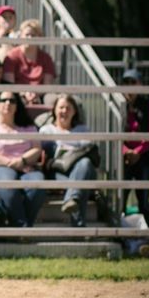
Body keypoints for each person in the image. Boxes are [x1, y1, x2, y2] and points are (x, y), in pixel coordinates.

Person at [0, 91, 46, 227]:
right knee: (8, 182)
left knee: (38, 183)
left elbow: (37, 149)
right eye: (4, 100)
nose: (8, 103)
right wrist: (9, 162)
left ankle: (21, 227)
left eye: (12, 101)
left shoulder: (28, 127)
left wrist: (23, 160)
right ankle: (23, 227)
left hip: (26, 167)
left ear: (17, 105)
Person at [39, 94, 97, 228]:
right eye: (61, 107)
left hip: (81, 169)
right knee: (79, 183)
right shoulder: (46, 130)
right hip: (56, 172)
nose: (64, 111)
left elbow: (88, 151)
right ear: (54, 110)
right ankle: (79, 226)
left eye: (68, 108)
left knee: (85, 164)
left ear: (75, 111)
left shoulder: (83, 130)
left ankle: (71, 198)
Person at [120, 68, 149, 226]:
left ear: (140, 85)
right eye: (126, 82)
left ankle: (147, 232)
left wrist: (137, 152)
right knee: (121, 197)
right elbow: (115, 132)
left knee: (143, 198)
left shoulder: (148, 105)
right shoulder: (119, 105)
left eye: (133, 82)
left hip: (144, 157)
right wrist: (126, 151)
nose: (129, 86)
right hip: (125, 157)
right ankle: (119, 231)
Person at [3, 19, 57, 105]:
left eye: (33, 35)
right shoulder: (11, 56)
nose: (30, 38)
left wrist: (36, 94)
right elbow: (9, 83)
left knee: (53, 100)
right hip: (18, 93)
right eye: (27, 35)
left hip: (41, 94)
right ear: (21, 36)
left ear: (40, 37)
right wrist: (24, 93)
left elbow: (48, 85)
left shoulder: (46, 58)